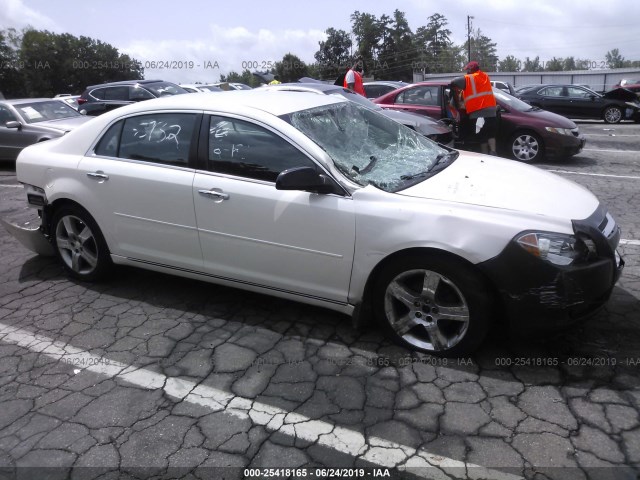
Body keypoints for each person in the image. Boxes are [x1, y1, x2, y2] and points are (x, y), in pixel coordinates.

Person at [451, 61, 497, 155]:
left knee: (482, 135)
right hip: (491, 111)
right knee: (491, 134)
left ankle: (485, 154)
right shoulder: (485, 76)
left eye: (467, 70)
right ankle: (493, 151)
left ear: (470, 70)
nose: (466, 72)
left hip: (478, 112)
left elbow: (454, 81)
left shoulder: (468, 78)